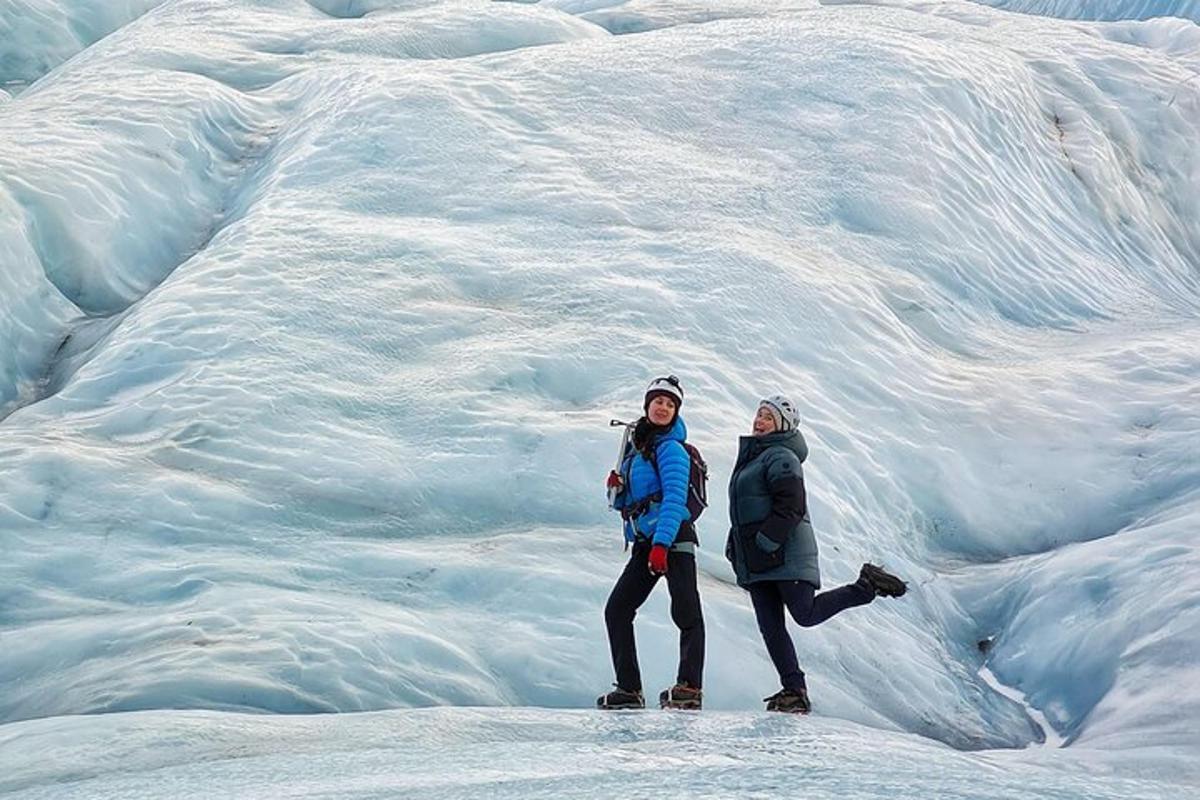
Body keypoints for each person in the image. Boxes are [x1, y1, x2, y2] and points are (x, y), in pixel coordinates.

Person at [726, 395, 906, 713]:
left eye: (768, 416)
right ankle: (793, 690)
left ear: (782, 425)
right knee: (770, 626)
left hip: (784, 554)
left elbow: (791, 506)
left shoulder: (781, 456)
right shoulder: (755, 458)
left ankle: (866, 586)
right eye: (758, 414)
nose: (759, 420)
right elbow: (745, 510)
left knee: (805, 614)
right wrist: (737, 544)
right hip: (757, 557)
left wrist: (766, 542)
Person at [598, 375, 705, 710]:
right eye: (658, 401)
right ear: (647, 405)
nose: (663, 408)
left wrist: (662, 544)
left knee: (686, 612)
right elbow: (625, 504)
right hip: (648, 542)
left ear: (676, 412)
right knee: (617, 610)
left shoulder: (671, 449)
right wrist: (616, 488)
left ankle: (689, 687)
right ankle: (628, 689)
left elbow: (674, 498)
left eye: (670, 404)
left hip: (673, 539)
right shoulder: (636, 449)